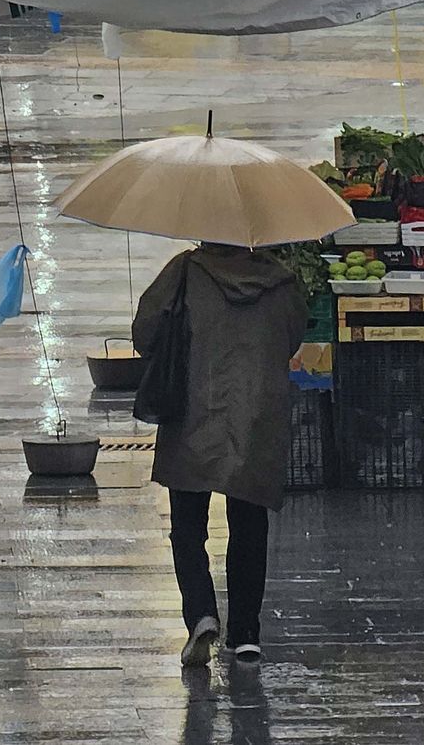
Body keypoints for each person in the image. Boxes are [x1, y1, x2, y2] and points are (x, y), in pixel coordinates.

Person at [131, 243, 307, 667]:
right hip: (255, 415)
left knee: (188, 528)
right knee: (249, 525)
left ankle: (201, 614)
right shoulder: (280, 281)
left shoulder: (185, 272)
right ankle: (245, 633)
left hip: (193, 411)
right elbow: (292, 338)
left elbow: (145, 333)